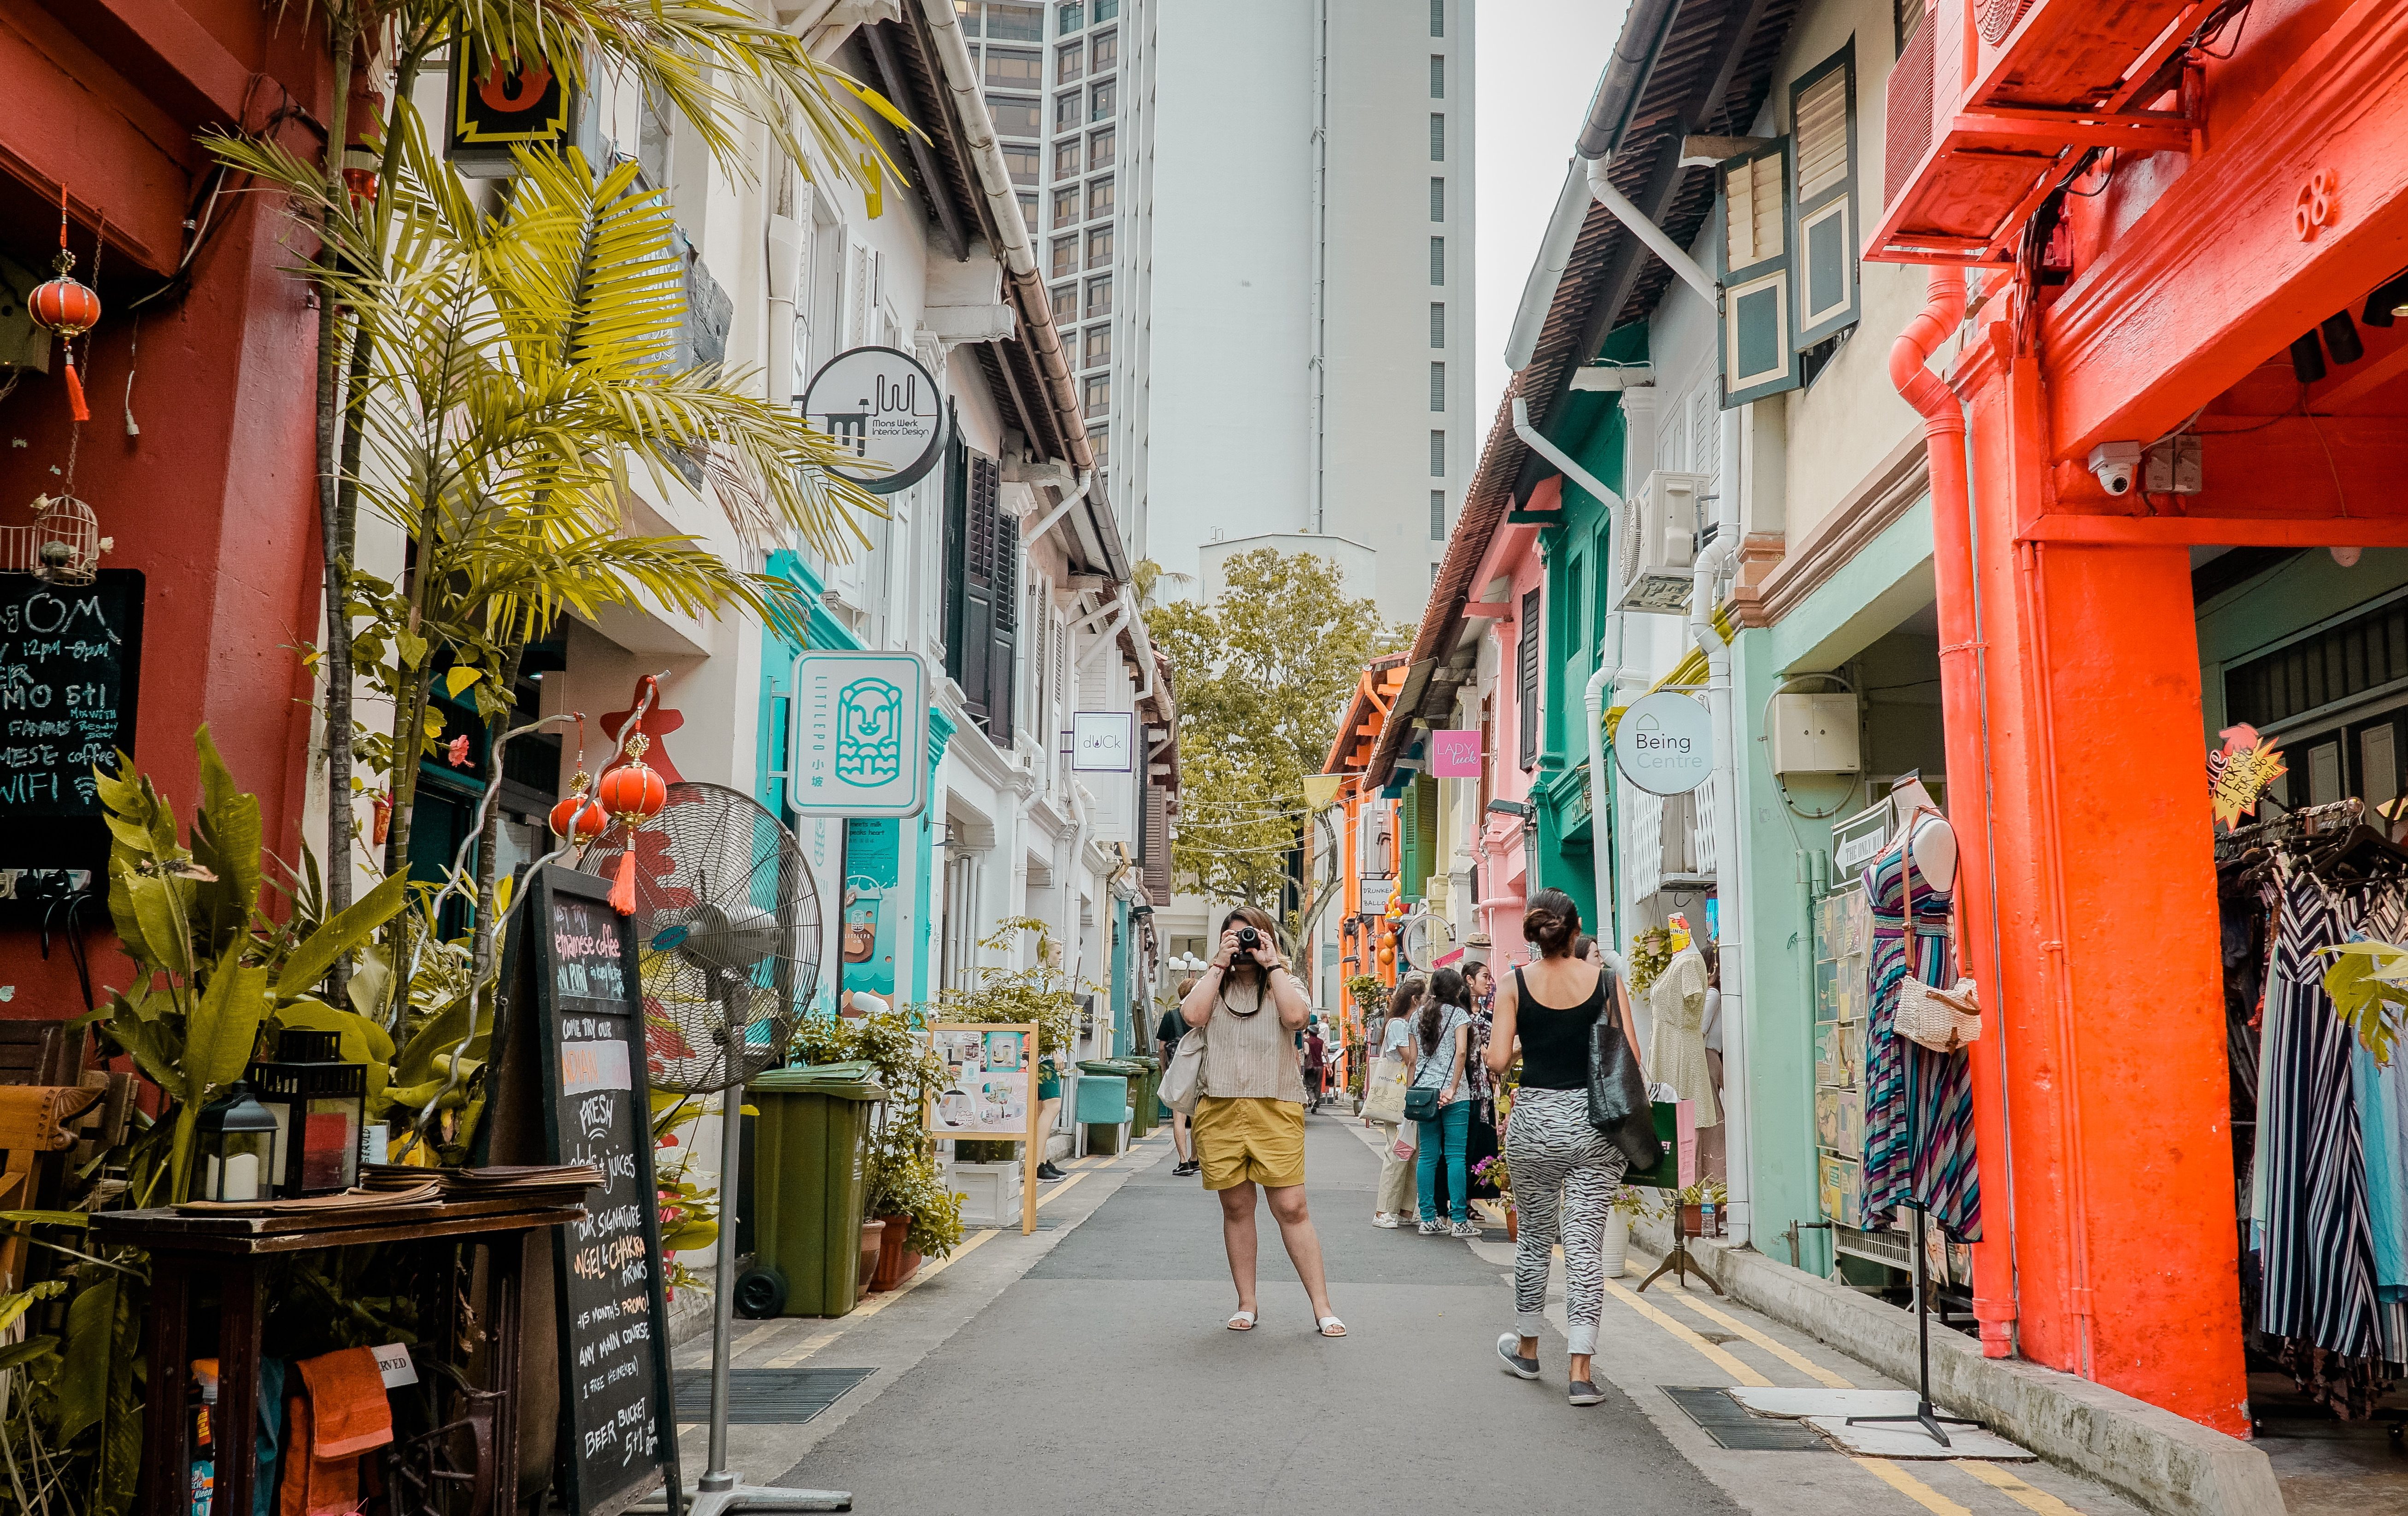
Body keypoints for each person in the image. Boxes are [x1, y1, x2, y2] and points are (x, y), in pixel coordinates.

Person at [1486, 887, 1643, 1407]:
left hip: (1534, 1123)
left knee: (1533, 1239)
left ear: (1535, 933)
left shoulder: (1513, 984)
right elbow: (1630, 1057)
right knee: (1584, 1246)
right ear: (1575, 931)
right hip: (1594, 1128)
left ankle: (1528, 1349)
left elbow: (1497, 1060)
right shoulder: (1605, 982)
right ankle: (1581, 1370)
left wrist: (1537, 1033)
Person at [1180, 905, 1345, 1336]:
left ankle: (1323, 1306)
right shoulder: (1212, 984)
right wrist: (1218, 964)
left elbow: (1296, 1020)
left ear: (1268, 938)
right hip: (1220, 1107)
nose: (1243, 946)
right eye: (1234, 938)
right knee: (1236, 1207)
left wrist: (1272, 965)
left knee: (1292, 1207)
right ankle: (1247, 1303)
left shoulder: (1285, 985)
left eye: (1250, 937)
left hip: (1276, 1106)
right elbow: (1192, 1016)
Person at [1404, 967, 1478, 1238]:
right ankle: (1459, 1220)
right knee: (1456, 1156)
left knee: (1428, 1156)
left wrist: (1412, 1091)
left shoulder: (1417, 1017)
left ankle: (1428, 1218)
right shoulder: (1460, 1015)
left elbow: (1412, 1060)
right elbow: (1461, 1052)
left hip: (1424, 1094)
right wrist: (1453, 1087)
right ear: (1457, 991)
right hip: (1454, 1095)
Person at [1372, 976, 1427, 1228]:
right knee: (1398, 1151)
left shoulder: (1409, 1024)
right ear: (1415, 1000)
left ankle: (1405, 1209)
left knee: (1412, 1152)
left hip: (1409, 1095)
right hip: (1397, 1096)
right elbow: (1411, 1058)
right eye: (1425, 999)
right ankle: (1383, 1211)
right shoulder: (1398, 1025)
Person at [1159, 978, 1200, 1177]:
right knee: (1198, 1117)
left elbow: (1161, 1048)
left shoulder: (1170, 1016)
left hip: (1177, 1072)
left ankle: (1184, 1162)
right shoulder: (1203, 1015)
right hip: (1199, 1071)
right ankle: (1195, 1158)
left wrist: (1164, 1069)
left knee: (1179, 1117)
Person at [1034, 1051, 1066, 1181]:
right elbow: (1047, 1030)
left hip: (1043, 1058)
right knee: (1053, 1105)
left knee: (1040, 1109)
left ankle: (1041, 1162)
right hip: (1045, 1059)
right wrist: (1055, 1053)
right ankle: (1035, 1166)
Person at [1303, 1017, 1329, 1111]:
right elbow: (1325, 1054)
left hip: (1310, 1066)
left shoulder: (1307, 1041)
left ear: (1309, 1032)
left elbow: (1306, 1053)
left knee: (1309, 1086)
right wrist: (1329, 1065)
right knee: (1318, 1086)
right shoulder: (1321, 1042)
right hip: (1320, 1066)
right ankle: (1316, 1104)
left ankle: (1313, 1100)